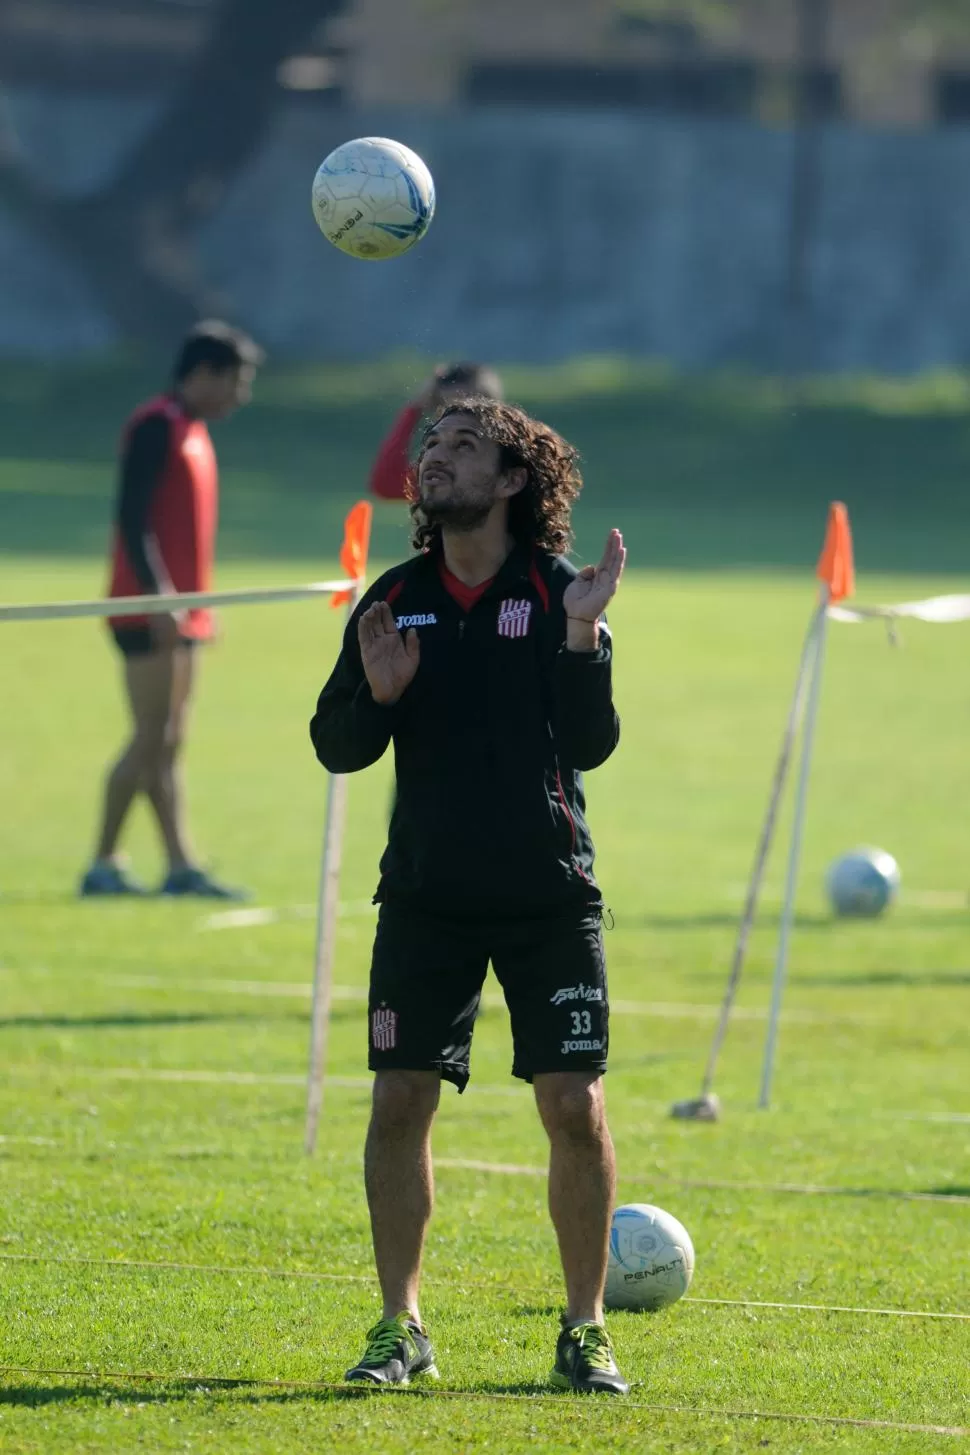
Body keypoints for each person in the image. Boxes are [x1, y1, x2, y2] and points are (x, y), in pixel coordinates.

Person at [310, 398, 628, 1394]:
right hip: (425, 896)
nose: (433, 460)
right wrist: (381, 694)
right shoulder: (395, 596)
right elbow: (337, 745)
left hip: (546, 890)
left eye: (461, 448)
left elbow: (587, 748)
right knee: (400, 1101)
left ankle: (584, 1331)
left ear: (510, 482)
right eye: (428, 448)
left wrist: (582, 639)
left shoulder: (554, 589)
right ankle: (399, 1327)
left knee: (573, 1106)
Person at [79, 320, 263, 899]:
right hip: (147, 610)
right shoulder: (156, 426)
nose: (241, 395)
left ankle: (181, 866)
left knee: (170, 738)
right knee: (149, 736)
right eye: (236, 381)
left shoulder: (193, 430)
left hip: (181, 611)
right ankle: (102, 863)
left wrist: (197, 606)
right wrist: (160, 600)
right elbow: (131, 518)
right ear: (203, 373)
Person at [368, 362, 503, 502]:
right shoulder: (442, 465)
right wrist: (415, 408)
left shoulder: (506, 465)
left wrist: (414, 409)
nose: (454, 419)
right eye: (446, 410)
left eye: (465, 409)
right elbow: (386, 485)